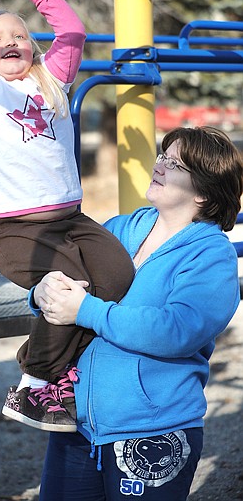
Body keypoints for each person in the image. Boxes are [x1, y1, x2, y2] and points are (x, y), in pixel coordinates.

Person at [0, 0, 134, 433]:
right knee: (67, 289)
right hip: (15, 228)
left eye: (20, 34)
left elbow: (72, 32)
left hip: (70, 218)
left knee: (117, 277)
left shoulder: (50, 82)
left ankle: (57, 373)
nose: (10, 41)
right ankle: (36, 382)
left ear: (33, 47)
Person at [32, 125, 243, 501]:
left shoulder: (211, 255)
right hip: (77, 422)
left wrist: (88, 311)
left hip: (152, 430)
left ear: (204, 191)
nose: (159, 165)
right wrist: (41, 291)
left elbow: (178, 330)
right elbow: (63, 281)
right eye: (163, 156)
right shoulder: (119, 229)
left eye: (175, 164)